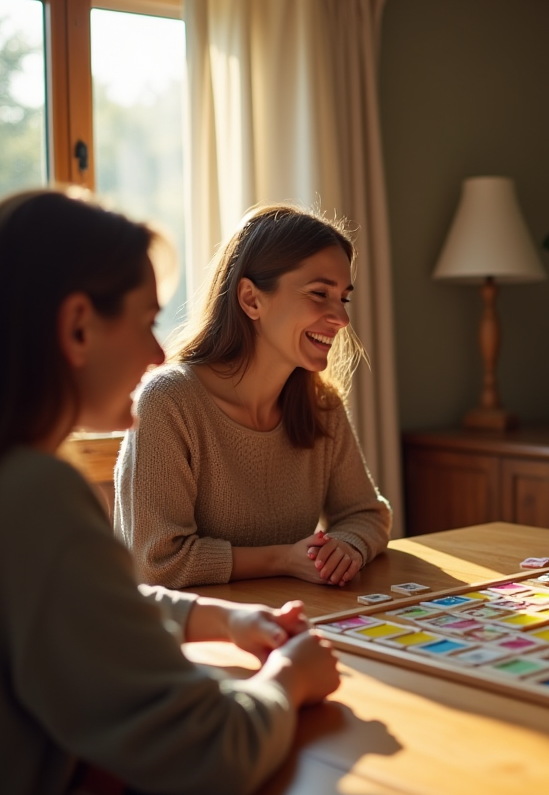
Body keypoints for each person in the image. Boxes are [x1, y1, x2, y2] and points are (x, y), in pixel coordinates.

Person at [0, 189, 342, 795]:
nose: (157, 354)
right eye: (146, 320)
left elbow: (78, 607)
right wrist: (290, 677)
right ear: (77, 326)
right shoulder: (34, 494)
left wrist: (216, 617)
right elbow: (209, 752)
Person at [115, 203, 392, 589]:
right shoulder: (168, 402)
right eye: (319, 293)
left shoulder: (322, 406)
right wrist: (284, 559)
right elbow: (157, 562)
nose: (342, 319)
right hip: (190, 639)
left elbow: (366, 512)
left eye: (342, 298)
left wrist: (346, 547)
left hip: (288, 620)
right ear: (250, 299)